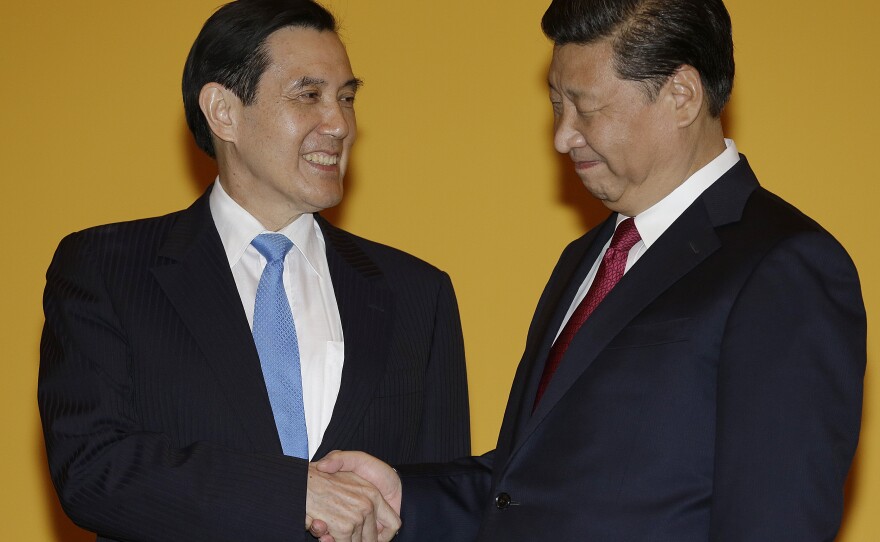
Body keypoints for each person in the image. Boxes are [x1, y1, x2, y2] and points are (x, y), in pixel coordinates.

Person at [314, 0, 867, 540]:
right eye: (557, 104)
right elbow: (529, 484)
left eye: (586, 106)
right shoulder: (589, 255)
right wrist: (402, 494)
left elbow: (774, 519)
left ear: (681, 95)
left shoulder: (782, 266)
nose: (562, 136)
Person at [37, 1, 470, 541]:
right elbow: (92, 469)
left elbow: (446, 505)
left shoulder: (417, 293)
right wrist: (291, 494)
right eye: (308, 95)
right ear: (223, 111)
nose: (339, 123)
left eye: (347, 98)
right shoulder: (106, 270)